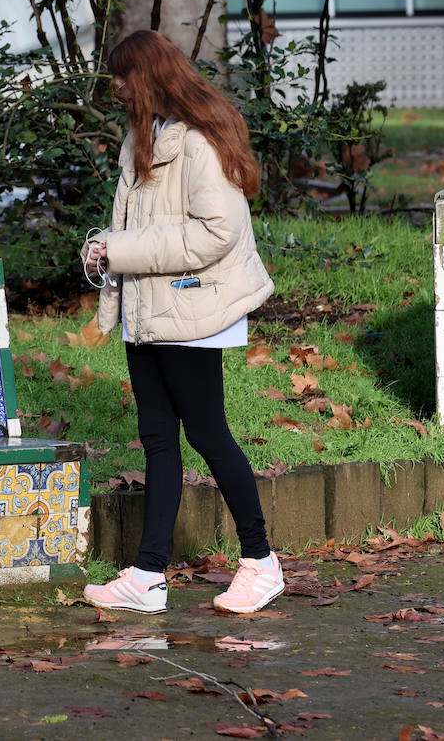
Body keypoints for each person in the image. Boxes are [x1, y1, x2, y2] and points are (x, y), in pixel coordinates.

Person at [80, 30, 281, 615]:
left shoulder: (196, 142)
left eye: (121, 76)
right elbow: (136, 230)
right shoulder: (146, 138)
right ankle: (146, 575)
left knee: (208, 435)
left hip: (195, 308)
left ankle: (261, 561)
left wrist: (121, 250)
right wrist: (103, 249)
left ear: (146, 78)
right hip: (148, 311)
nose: (114, 87)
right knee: (158, 440)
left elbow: (218, 232)